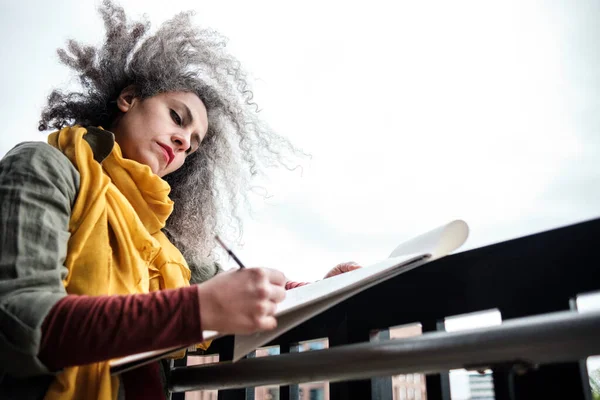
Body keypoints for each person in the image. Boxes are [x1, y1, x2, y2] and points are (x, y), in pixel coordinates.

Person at [0, 2, 360, 399]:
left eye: (192, 145)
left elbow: (234, 290)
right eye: (177, 117)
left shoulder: (164, 242)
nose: (183, 142)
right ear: (130, 98)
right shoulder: (45, 167)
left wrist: (323, 289)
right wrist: (194, 311)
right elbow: (19, 323)